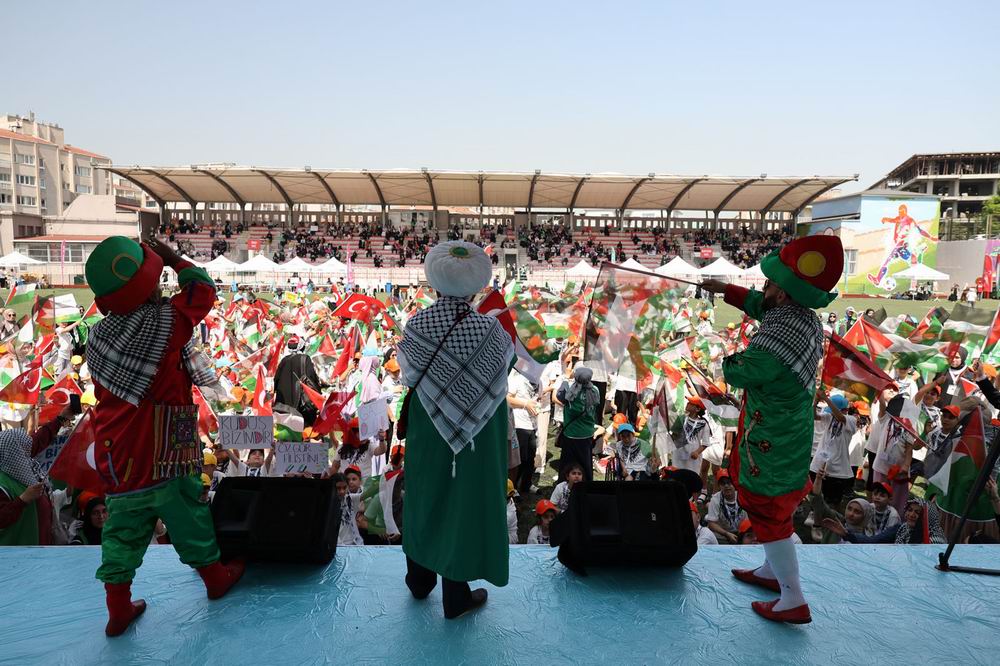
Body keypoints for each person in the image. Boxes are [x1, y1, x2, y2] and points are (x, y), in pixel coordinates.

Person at [84, 236, 243, 637]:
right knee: (188, 514)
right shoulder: (165, 323)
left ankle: (117, 607)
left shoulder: (98, 337)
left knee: (121, 529)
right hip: (169, 442)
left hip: (118, 449)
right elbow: (202, 288)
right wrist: (172, 258)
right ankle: (214, 579)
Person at [702, 233, 844, 625]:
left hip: (774, 443)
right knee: (769, 513)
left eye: (769, 283)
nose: (762, 288)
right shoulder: (799, 318)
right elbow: (756, 304)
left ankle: (793, 598)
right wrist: (723, 289)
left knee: (770, 513)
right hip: (783, 434)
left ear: (783, 294)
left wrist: (723, 361)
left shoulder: (775, 340)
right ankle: (771, 571)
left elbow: (744, 370)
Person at [397, 241, 514, 620]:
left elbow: (410, 374)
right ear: (478, 285)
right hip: (478, 430)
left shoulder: (417, 324)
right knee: (463, 502)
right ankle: (455, 592)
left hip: (428, 421)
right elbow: (501, 376)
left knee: (424, 494)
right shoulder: (491, 330)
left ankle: (419, 580)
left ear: (434, 283)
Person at [0, 411, 74, 545]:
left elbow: (39, 440)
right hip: (17, 557)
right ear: (14, 452)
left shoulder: (26, 469)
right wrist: (23, 500)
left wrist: (62, 418)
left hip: (40, 549)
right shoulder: (3, 484)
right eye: (24, 449)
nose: (28, 452)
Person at [808, 391, 857, 507]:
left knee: (833, 501)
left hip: (838, 468)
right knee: (816, 494)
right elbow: (814, 416)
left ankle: (830, 519)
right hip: (820, 463)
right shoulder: (830, 416)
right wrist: (816, 401)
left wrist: (826, 398)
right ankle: (814, 514)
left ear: (843, 410)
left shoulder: (851, 419)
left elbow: (840, 417)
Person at [558, 366, 600, 482]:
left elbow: (559, 395)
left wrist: (566, 378)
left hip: (571, 434)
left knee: (567, 464)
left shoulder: (570, 392)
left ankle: (564, 486)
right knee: (585, 464)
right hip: (586, 434)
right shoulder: (595, 390)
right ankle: (587, 486)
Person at [273, 336, 322, 426]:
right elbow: (311, 378)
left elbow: (276, 381)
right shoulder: (305, 359)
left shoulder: (284, 360)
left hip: (284, 404)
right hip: (300, 402)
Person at [669, 397, 710, 474]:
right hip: (678, 455)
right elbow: (673, 436)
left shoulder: (703, 424)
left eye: (691, 403)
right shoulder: (681, 418)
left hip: (692, 459)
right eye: (688, 402)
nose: (687, 404)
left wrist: (697, 452)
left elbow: (706, 443)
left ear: (697, 409)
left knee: (691, 479)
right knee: (677, 476)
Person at [705, 469, 746, 544]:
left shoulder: (743, 496)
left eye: (729, 482)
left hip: (742, 534)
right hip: (721, 536)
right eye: (723, 483)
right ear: (719, 486)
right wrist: (726, 534)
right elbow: (711, 523)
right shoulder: (715, 500)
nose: (726, 486)